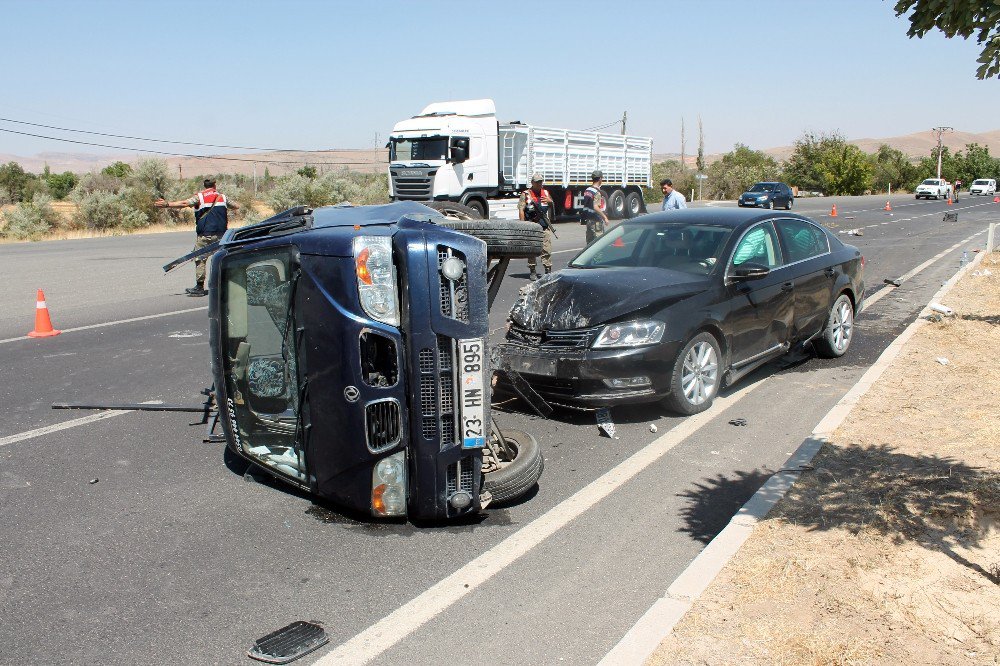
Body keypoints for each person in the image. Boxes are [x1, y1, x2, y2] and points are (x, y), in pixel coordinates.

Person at [155, 178, 240, 296]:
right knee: (222, 258)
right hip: (222, 235)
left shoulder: (199, 197)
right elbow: (236, 206)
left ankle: (199, 287)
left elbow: (184, 203)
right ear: (215, 185)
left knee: (200, 259)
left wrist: (167, 204)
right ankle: (227, 284)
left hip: (205, 235)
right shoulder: (222, 197)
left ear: (204, 186)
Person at [519, 172, 554, 281]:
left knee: (547, 249)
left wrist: (550, 201)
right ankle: (532, 270)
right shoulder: (526, 194)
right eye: (537, 182)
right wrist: (523, 225)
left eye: (541, 182)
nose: (539, 184)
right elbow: (521, 209)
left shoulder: (546, 193)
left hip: (544, 226)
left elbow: (551, 206)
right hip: (532, 226)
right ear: (532, 182)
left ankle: (548, 271)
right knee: (532, 250)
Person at [581, 170, 609, 244]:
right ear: (599, 179)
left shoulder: (588, 190)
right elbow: (595, 207)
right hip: (596, 220)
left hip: (589, 220)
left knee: (589, 244)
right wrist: (605, 217)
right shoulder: (597, 192)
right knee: (599, 244)